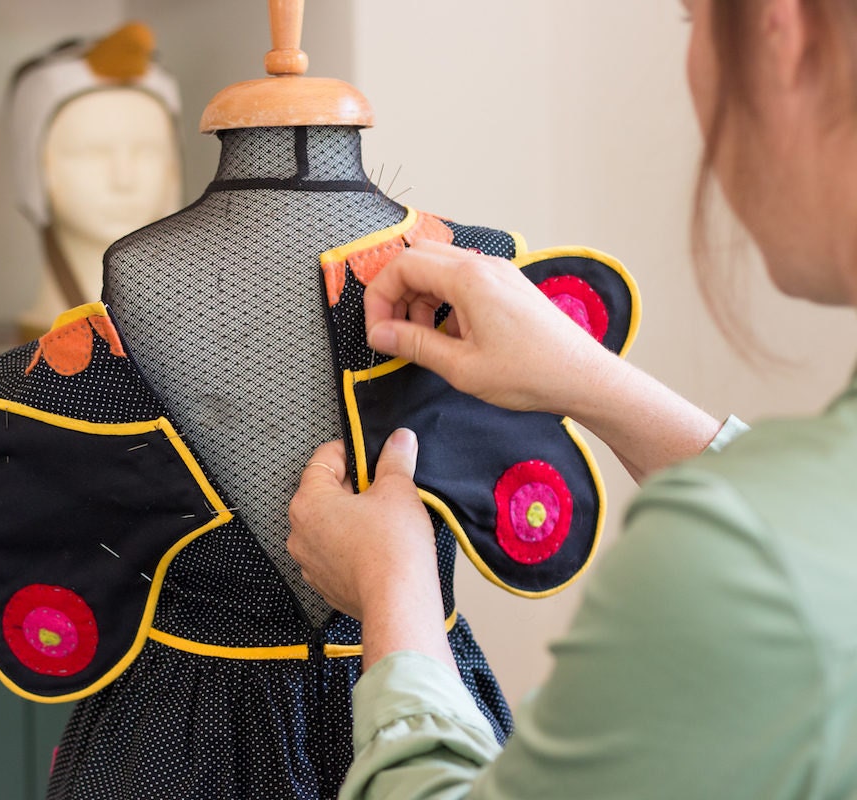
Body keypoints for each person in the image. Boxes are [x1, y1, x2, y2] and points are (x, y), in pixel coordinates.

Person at [287, 0, 857, 796]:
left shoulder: (740, 562)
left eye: (691, 20)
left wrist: (394, 591)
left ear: (778, 30)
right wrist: (596, 384)